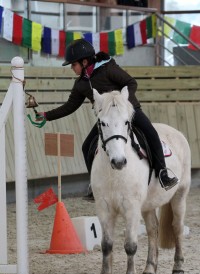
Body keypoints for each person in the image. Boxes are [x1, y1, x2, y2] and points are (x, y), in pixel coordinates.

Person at [36, 38, 179, 201]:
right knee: (85, 147)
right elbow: (70, 106)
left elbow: (131, 82)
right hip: (107, 120)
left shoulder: (108, 69)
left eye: (73, 64)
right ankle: (94, 185)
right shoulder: (81, 84)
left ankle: (163, 173)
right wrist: (47, 115)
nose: (71, 68)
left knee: (151, 134)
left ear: (84, 62)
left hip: (128, 111)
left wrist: (124, 103)